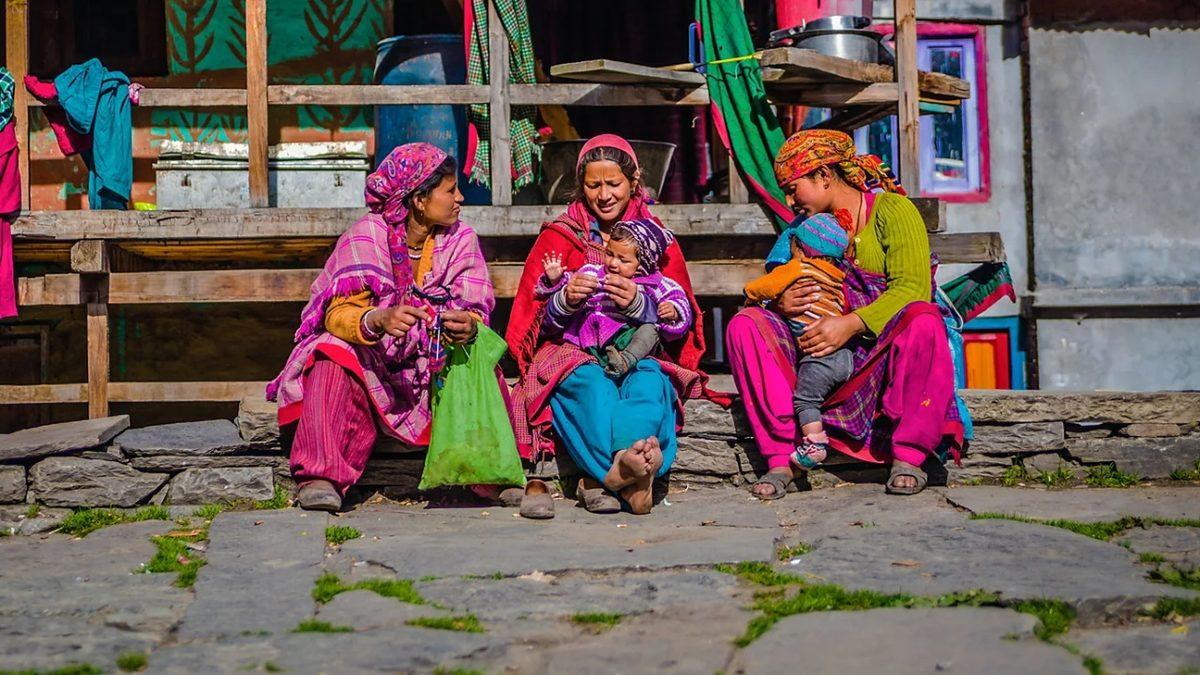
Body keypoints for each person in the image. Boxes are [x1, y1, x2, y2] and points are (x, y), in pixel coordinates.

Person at [267, 142, 513, 512]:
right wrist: (377, 320)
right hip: (377, 366)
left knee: (479, 356)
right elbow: (335, 315)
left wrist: (468, 325)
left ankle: (491, 473)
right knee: (332, 354)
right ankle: (321, 475)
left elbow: (476, 307)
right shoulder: (366, 236)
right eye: (450, 190)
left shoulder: (462, 239)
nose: (460, 197)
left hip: (432, 366)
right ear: (418, 199)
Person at [726, 129, 963, 499]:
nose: (789, 201)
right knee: (745, 325)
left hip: (878, 361)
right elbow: (773, 284)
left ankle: (909, 454)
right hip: (816, 365)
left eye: (793, 187)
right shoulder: (799, 231)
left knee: (923, 319)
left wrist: (850, 324)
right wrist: (779, 304)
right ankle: (780, 456)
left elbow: (912, 289)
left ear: (823, 175)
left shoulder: (892, 211)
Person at [506, 134, 711, 515]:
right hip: (575, 350)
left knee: (650, 383)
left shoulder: (654, 239)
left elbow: (677, 311)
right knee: (591, 385)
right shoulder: (560, 237)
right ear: (580, 186)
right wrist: (565, 300)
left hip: (639, 350)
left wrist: (639, 304)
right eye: (593, 184)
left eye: (613, 183)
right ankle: (626, 474)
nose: (603, 195)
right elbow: (531, 318)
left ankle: (616, 473)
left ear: (633, 182)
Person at [742, 211, 854, 469]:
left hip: (819, 358)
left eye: (792, 245)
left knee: (806, 400)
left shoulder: (799, 267)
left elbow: (765, 287)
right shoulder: (836, 276)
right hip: (844, 355)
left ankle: (814, 445)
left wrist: (749, 294)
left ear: (801, 249)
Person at [535, 218, 692, 377]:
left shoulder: (654, 284)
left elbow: (679, 299)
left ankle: (625, 361)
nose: (613, 263)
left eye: (623, 260)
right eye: (609, 254)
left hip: (629, 339)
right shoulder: (593, 272)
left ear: (642, 263)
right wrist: (558, 281)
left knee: (650, 330)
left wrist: (674, 310)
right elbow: (571, 282)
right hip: (591, 339)